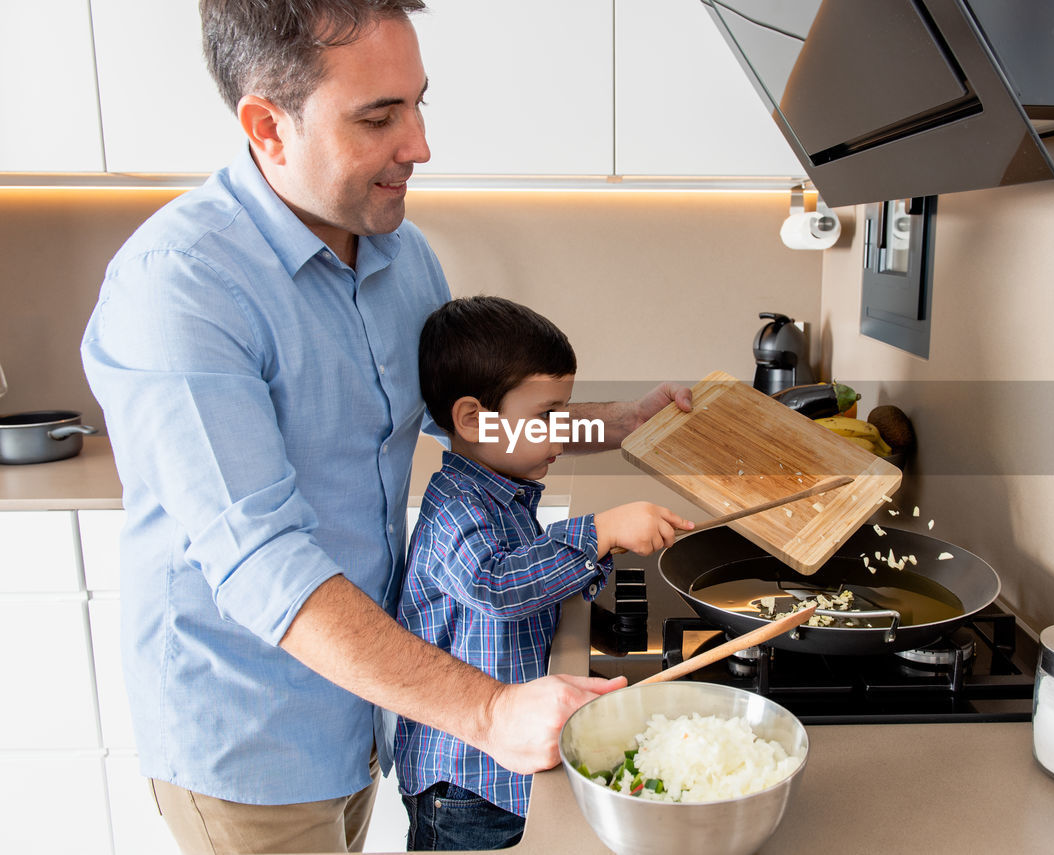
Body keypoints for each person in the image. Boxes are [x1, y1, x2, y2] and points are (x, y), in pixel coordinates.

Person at [79, 2, 691, 853]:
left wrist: (612, 427)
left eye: (417, 104)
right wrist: (486, 710)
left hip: (377, 707)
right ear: (268, 125)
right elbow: (266, 564)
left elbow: (475, 426)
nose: (420, 145)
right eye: (379, 116)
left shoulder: (404, 258)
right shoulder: (178, 287)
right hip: (248, 738)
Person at [393, 296, 692, 850]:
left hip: (497, 777)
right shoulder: (455, 506)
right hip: (464, 785)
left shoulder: (503, 494)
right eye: (546, 416)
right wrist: (599, 531)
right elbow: (497, 586)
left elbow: (528, 589)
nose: (562, 434)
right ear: (470, 419)